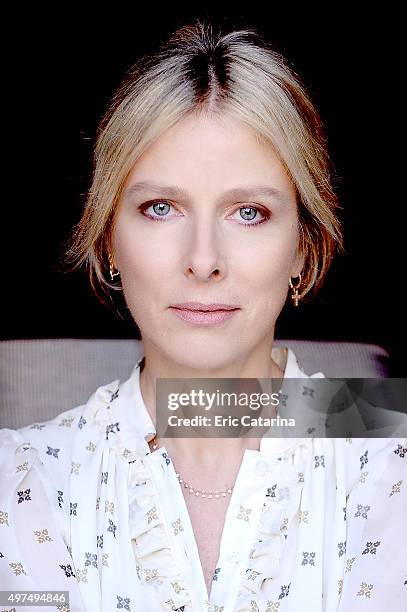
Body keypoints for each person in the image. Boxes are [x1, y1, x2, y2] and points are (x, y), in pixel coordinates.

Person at [1, 19, 406, 612]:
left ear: (303, 245)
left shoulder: (389, 448)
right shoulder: (19, 480)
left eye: (248, 212)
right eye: (160, 207)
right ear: (110, 239)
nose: (203, 261)